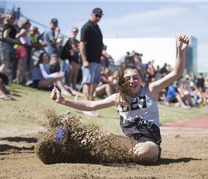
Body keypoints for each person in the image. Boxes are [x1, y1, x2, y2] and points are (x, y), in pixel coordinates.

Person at [51, 35, 190, 164]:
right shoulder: (118, 97)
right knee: (105, 137)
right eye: (128, 78)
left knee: (145, 151)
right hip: (128, 141)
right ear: (123, 81)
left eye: (135, 78)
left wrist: (181, 51)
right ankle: (66, 144)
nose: (132, 81)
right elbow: (91, 104)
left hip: (150, 143)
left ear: (141, 80)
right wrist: (63, 101)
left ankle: (117, 155)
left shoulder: (150, 90)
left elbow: (176, 73)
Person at [79, 7, 104, 117]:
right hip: (89, 61)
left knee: (94, 84)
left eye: (100, 16)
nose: (98, 18)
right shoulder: (86, 27)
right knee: (88, 83)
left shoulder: (97, 27)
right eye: (97, 15)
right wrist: (84, 60)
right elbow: (82, 44)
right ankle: (86, 107)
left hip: (97, 61)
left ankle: (91, 106)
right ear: (92, 14)